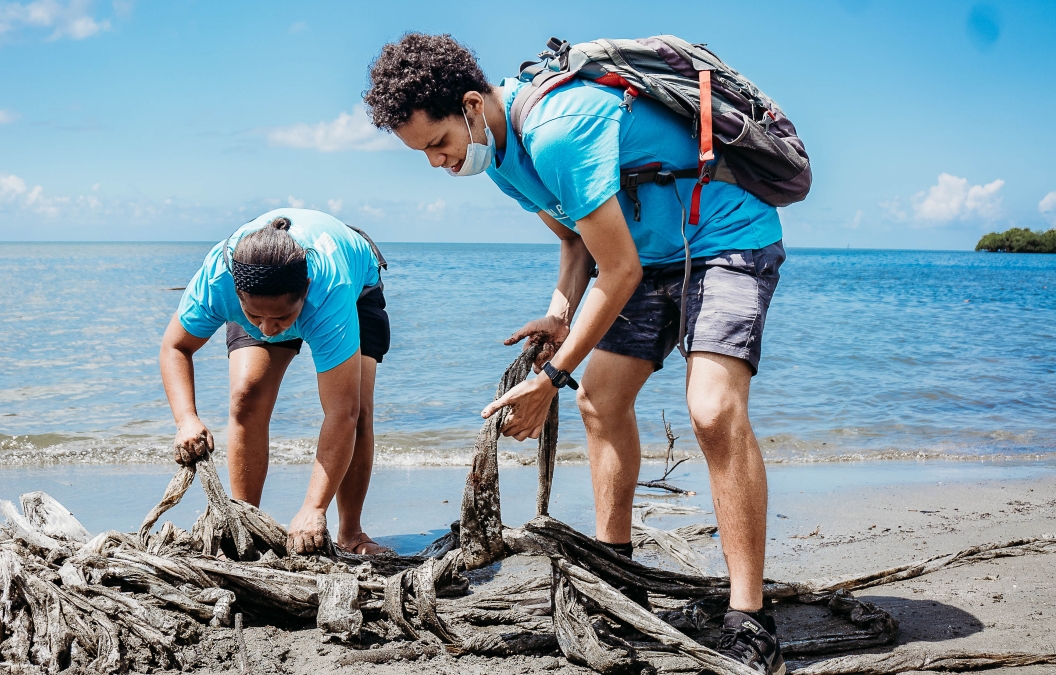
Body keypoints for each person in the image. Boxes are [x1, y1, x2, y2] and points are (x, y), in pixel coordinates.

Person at [365, 34, 787, 674]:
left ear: (473, 106)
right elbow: (577, 247)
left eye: (437, 144)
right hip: (650, 258)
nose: (436, 163)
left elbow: (616, 272)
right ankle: (621, 582)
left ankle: (750, 616)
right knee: (602, 402)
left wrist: (551, 378)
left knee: (710, 411)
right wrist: (559, 315)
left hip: (727, 237)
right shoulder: (502, 158)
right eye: (421, 154)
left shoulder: (556, 133)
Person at [159, 208, 392, 555]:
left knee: (357, 409)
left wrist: (313, 509)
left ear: (306, 292)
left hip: (355, 293)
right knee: (247, 396)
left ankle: (351, 532)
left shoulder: (329, 291)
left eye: (280, 318)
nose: (267, 331)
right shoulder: (217, 281)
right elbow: (175, 347)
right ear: (236, 293)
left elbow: (342, 412)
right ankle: (245, 526)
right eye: (255, 317)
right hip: (268, 288)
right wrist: (186, 419)